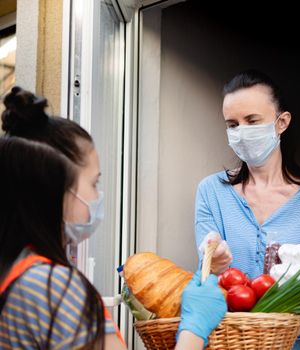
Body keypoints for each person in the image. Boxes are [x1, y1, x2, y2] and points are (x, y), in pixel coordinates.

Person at [0, 87, 226, 349]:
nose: (97, 196)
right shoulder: (55, 288)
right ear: (58, 189)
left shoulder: (15, 273)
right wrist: (194, 328)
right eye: (94, 183)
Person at [195, 70, 300, 349]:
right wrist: (212, 265)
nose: (241, 132)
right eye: (232, 124)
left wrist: (287, 324)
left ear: (281, 122)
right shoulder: (211, 192)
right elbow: (203, 284)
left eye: (252, 121)